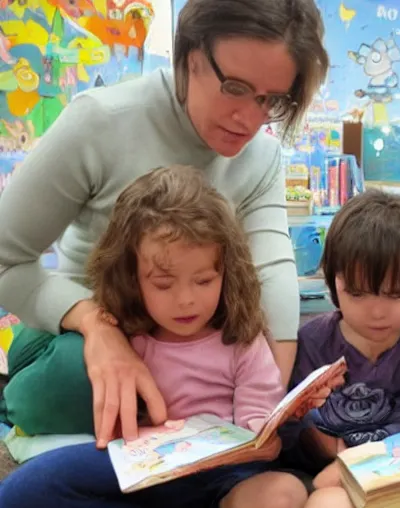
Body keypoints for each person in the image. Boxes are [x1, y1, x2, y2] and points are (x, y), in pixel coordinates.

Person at [0, 0, 328, 450]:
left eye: (270, 100)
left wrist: (270, 408)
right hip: (69, 336)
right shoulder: (100, 121)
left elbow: (272, 277)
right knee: (88, 383)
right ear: (190, 57)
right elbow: (5, 259)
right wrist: (98, 326)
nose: (249, 120)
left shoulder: (263, 157)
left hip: (183, 342)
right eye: (234, 87)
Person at [0, 166, 333, 508]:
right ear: (132, 279)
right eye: (163, 284)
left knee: (284, 492)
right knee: (24, 489)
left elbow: (260, 437)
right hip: (145, 474)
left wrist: (274, 431)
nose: (185, 299)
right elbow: (110, 433)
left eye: (203, 281)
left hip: (227, 476)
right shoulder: (128, 341)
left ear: (226, 273)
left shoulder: (243, 341)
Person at [279, 190, 400, 508]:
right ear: (333, 283)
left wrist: (352, 463)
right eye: (357, 294)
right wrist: (316, 440)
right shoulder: (311, 341)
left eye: (396, 295)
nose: (377, 312)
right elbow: (290, 420)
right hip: (323, 477)